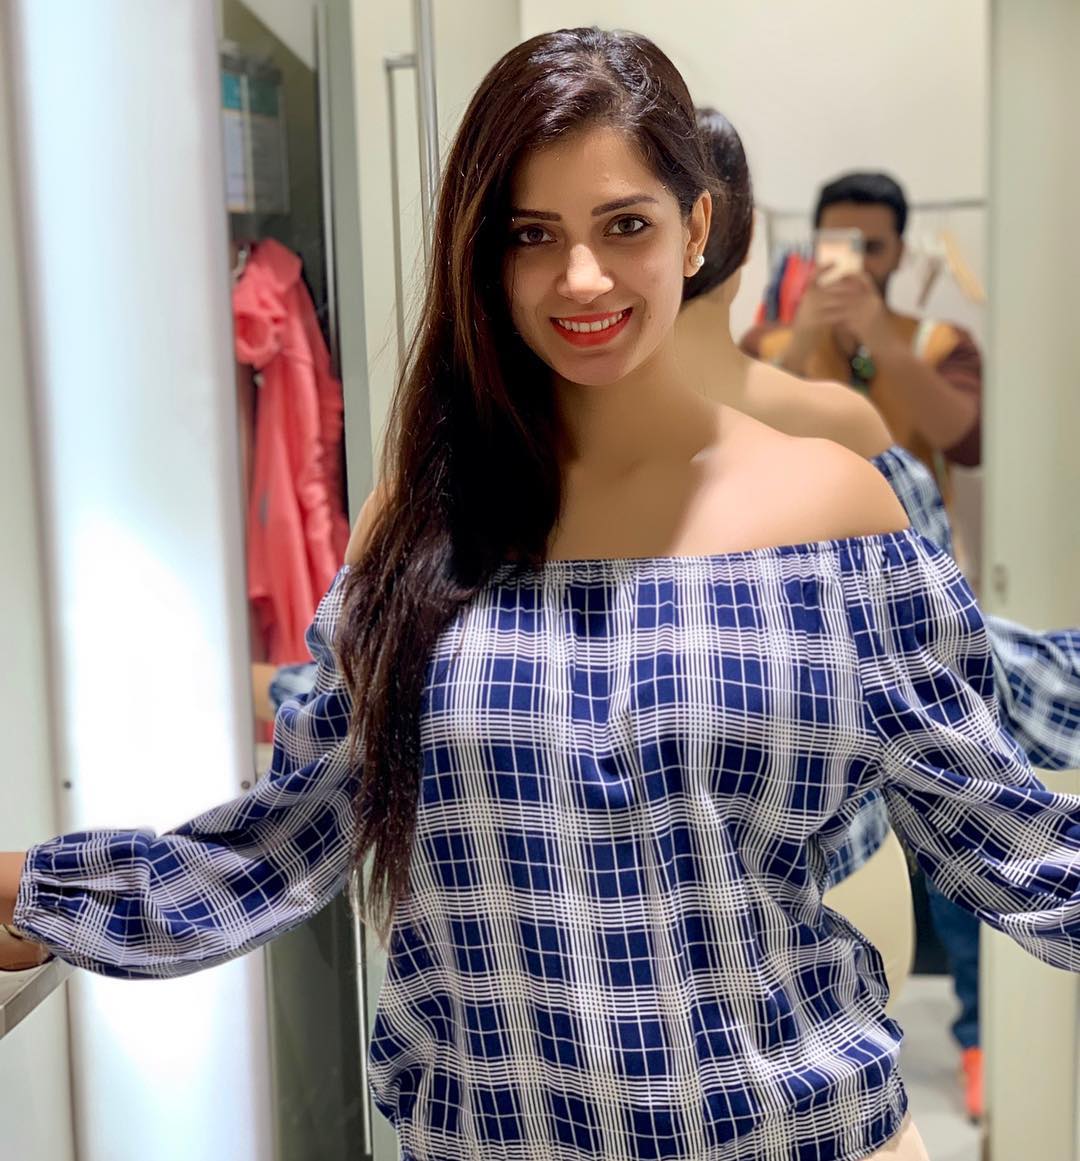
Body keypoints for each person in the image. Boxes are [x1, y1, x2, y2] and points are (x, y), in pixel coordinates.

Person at [4, 28, 1080, 1161]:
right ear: (485, 255)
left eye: (626, 226)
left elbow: (1009, 841)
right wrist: (39, 891)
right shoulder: (421, 530)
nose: (581, 278)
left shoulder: (831, 512)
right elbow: (285, 842)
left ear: (696, 229)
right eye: (533, 235)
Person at [683, 108, 1080, 1123]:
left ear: (903, 251)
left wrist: (875, 345)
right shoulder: (777, 348)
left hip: (903, 625)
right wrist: (814, 336)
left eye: (871, 244)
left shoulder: (934, 341)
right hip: (777, 742)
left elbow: (966, 433)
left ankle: (978, 1038)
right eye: (836, 240)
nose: (851, 259)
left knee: (961, 849)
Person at [740, 171, 982, 513]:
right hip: (806, 537)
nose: (859, 264)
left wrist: (885, 344)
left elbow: (969, 447)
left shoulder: (943, 343)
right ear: (816, 248)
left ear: (899, 253)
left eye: (873, 248)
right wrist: (799, 347)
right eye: (841, 246)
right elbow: (740, 445)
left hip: (915, 536)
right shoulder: (766, 342)